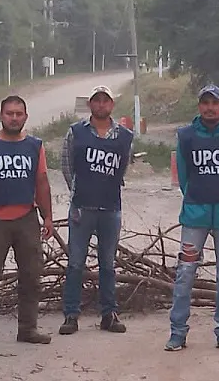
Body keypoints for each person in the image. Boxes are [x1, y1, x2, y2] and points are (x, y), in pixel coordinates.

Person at [165, 84, 219, 353]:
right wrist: (195, 197)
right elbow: (183, 175)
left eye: (215, 103)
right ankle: (178, 332)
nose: (210, 108)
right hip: (195, 215)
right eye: (205, 103)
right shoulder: (187, 135)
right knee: (185, 273)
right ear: (199, 106)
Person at [0, 95, 56, 349]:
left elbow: (42, 183)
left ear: (25, 117)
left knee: (31, 276)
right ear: (1, 116)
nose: (14, 118)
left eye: (19, 114)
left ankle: (28, 329)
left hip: (27, 218)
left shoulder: (35, 145)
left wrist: (47, 216)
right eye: (9, 113)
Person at [59, 85, 133, 335]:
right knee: (75, 264)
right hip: (82, 207)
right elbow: (66, 164)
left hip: (111, 208)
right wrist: (76, 192)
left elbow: (122, 168)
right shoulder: (76, 132)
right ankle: (71, 315)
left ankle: (109, 314)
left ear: (112, 105)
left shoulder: (124, 136)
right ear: (90, 104)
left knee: (108, 265)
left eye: (106, 101)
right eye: (97, 100)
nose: (101, 105)